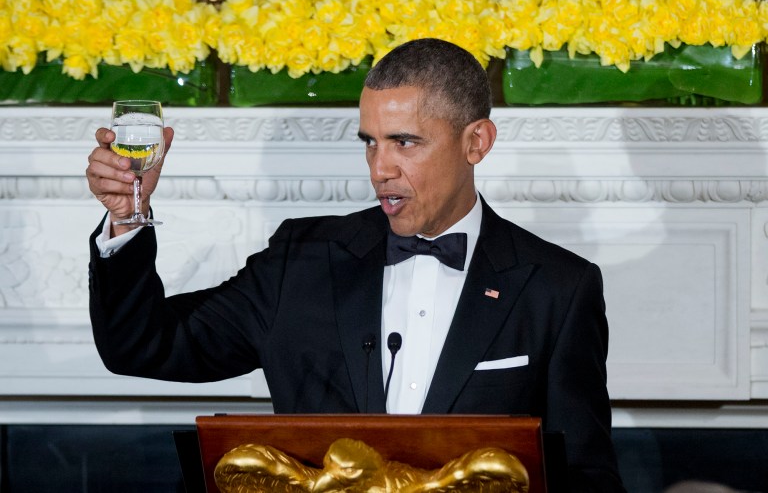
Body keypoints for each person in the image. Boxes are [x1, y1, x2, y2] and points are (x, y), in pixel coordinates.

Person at [86, 38, 625, 491]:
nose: (379, 169)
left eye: (405, 142)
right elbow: (143, 344)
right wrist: (127, 216)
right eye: (370, 143)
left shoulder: (558, 287)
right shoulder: (302, 260)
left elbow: (586, 475)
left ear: (476, 142)